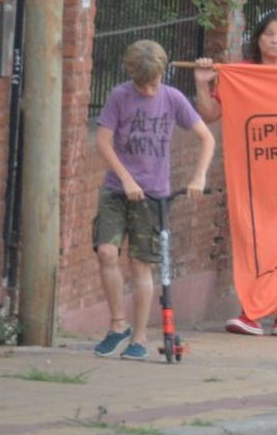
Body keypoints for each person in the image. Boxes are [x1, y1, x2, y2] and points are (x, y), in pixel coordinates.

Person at [194, 8, 277, 337]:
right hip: (252, 171)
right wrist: (202, 85)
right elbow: (209, 115)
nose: (275, 40)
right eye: (269, 34)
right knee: (253, 238)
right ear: (258, 39)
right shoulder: (240, 74)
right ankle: (252, 310)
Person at [91, 40, 215, 360]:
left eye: (154, 83)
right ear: (131, 75)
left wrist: (198, 177)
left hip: (154, 197)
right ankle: (117, 324)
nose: (147, 91)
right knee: (106, 252)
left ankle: (140, 336)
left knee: (140, 266)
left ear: (162, 74)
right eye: (141, 84)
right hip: (117, 191)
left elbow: (207, 137)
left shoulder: (172, 99)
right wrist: (127, 179)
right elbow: (103, 142)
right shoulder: (120, 96)